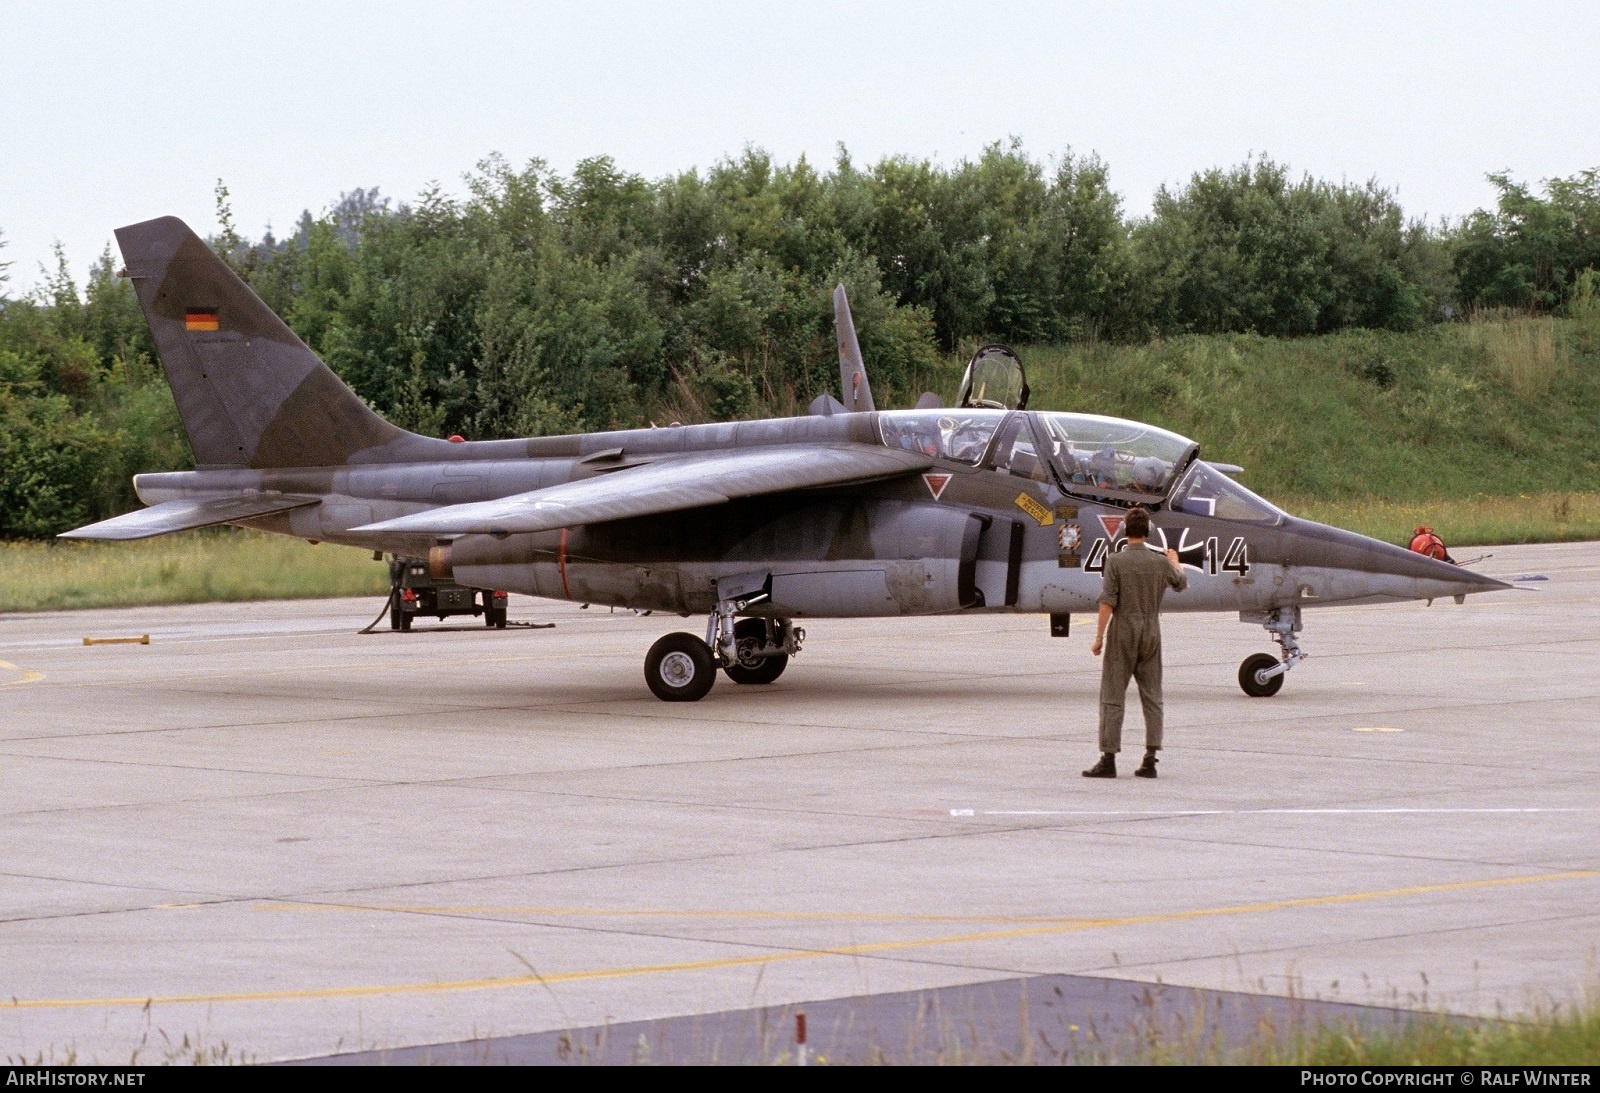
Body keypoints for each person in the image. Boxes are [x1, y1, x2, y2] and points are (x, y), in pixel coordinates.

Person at [1084, 506, 1187, 779]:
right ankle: (1150, 759)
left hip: (1123, 631)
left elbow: (1108, 601)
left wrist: (1098, 638)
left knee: (1112, 696)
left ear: (1124, 531)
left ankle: (1108, 759)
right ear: (1149, 531)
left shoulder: (1115, 561)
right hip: (1152, 630)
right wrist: (1174, 560)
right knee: (1153, 696)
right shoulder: (1160, 562)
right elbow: (1181, 583)